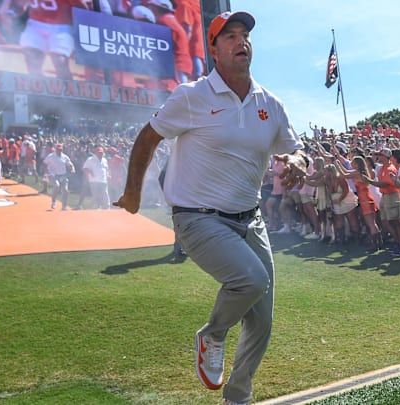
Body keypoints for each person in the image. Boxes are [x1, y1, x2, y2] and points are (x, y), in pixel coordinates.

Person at [114, 11, 306, 405]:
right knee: (251, 281)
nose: (241, 42)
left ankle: (237, 396)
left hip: (250, 220)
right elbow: (147, 139)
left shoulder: (269, 102)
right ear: (214, 50)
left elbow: (294, 149)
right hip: (197, 218)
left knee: (263, 320)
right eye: (230, 36)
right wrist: (133, 191)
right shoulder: (191, 96)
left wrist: (300, 161)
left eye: (245, 35)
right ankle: (213, 334)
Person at [43, 143, 75, 210]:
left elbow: (70, 164)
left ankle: (64, 206)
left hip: (63, 174)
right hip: (54, 174)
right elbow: (45, 163)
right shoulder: (51, 156)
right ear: (55, 149)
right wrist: (46, 172)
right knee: (56, 186)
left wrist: (72, 169)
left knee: (65, 190)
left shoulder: (65, 157)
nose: (59, 151)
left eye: (60, 149)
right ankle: (54, 201)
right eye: (58, 149)